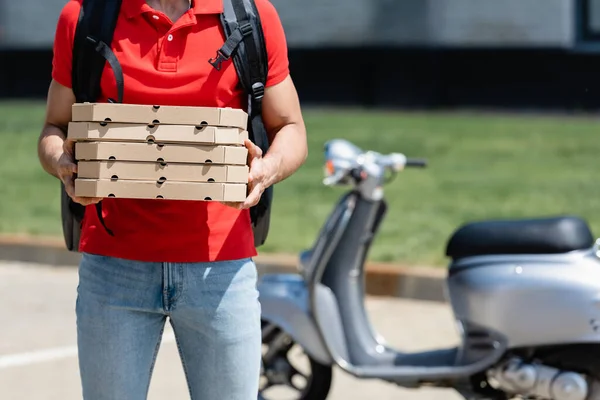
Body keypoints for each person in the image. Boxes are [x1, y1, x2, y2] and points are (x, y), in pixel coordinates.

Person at [37, 0, 308, 398]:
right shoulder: (85, 16)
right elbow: (54, 125)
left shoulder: (251, 16)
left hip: (220, 271)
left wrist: (266, 170)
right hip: (115, 271)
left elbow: (290, 127)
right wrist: (62, 162)